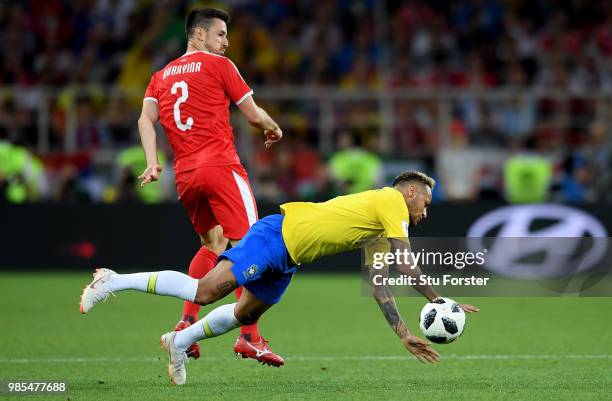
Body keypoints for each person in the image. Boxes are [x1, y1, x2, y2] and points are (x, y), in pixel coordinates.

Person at [80, 171, 479, 385]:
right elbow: (408, 264)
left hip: (290, 258)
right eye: (425, 203)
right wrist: (438, 300)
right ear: (410, 192)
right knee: (206, 292)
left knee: (242, 313)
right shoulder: (392, 201)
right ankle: (113, 280)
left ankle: (180, 342)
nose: (426, 212)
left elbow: (380, 285)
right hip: (277, 234)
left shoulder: (378, 231)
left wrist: (403, 333)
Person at [137, 8, 284, 365]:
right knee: (253, 248)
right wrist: (274, 126)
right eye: (221, 34)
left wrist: (152, 162)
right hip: (219, 166)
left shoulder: (161, 76)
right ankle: (249, 337)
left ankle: (185, 323)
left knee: (212, 244)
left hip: (186, 175)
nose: (227, 42)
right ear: (198, 36)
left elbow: (145, 118)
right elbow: (252, 114)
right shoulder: (220, 66)